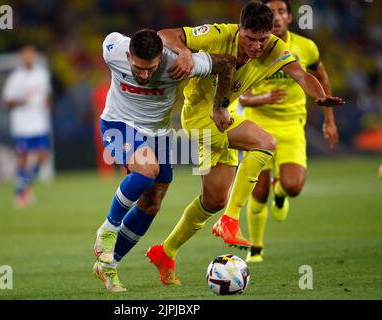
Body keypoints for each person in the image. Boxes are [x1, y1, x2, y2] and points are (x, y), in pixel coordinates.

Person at [146, 1, 345, 285]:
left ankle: (166, 251)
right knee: (264, 142)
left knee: (213, 200)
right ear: (240, 30)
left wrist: (319, 96)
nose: (256, 45)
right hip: (198, 118)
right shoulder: (218, 33)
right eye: (250, 38)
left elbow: (302, 76)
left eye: (262, 39)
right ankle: (230, 220)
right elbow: (164, 34)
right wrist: (184, 52)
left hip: (223, 118)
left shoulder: (275, 48)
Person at [93, 29, 235, 292]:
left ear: (161, 57)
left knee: (151, 204)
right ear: (128, 55)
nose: (145, 75)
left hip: (158, 135)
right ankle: (108, 229)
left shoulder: (178, 63)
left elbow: (227, 64)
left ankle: (108, 264)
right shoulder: (112, 47)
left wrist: (219, 106)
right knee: (147, 170)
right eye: (138, 68)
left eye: (151, 69)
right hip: (119, 124)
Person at [238, 0, 339, 263]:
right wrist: (263, 98)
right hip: (257, 126)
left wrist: (329, 120)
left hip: (292, 126)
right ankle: (256, 248)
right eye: (271, 13)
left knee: (293, 187)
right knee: (258, 192)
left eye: (281, 12)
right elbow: (241, 97)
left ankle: (281, 193)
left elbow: (321, 78)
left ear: (290, 17)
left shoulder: (306, 48)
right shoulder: (253, 48)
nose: (276, 18)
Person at [2, 45, 52, 208]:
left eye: (32, 55)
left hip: (39, 123)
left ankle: (25, 187)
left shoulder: (42, 74)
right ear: (22, 57)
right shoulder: (15, 78)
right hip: (22, 125)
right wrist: (20, 101)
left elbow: (47, 94)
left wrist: (47, 103)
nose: (29, 58)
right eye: (26, 55)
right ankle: (20, 192)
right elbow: (6, 102)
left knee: (43, 157)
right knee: (23, 159)